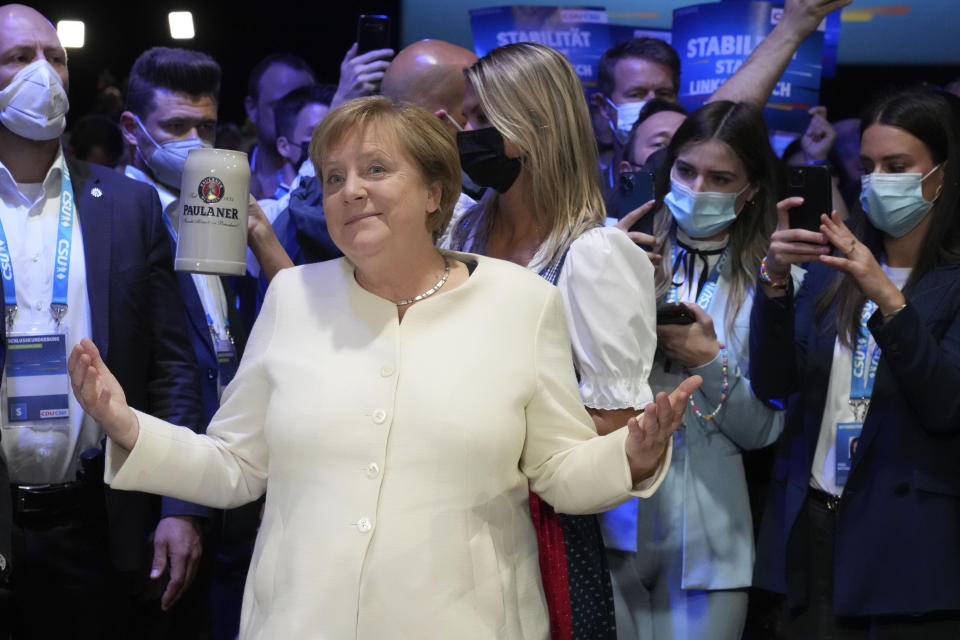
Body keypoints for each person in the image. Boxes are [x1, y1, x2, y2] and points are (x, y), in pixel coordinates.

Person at [68, 96, 702, 639]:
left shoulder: (520, 301)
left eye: (375, 169)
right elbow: (236, 466)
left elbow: (559, 472)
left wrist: (632, 454)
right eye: (334, 176)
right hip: (300, 620)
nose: (352, 190)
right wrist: (128, 426)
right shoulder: (293, 298)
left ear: (434, 191)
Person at [0, 5, 206, 638]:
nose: (45, 73)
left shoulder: (128, 203)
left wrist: (180, 504)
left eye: (55, 57)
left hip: (103, 520)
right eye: (18, 58)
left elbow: (173, 362)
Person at [445, 42, 658, 639]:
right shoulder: (462, 226)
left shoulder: (593, 254)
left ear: (533, 126)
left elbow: (616, 426)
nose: (468, 134)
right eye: (467, 118)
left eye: (482, 120)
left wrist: (506, 437)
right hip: (449, 509)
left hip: (541, 521)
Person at [750, 86, 960, 637]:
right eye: (867, 166)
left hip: (907, 543)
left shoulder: (950, 281)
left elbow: (946, 405)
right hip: (812, 523)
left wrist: (889, 298)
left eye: (896, 166)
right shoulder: (831, 269)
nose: (877, 180)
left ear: (943, 171)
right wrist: (772, 282)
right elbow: (775, 380)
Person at [604, 100, 789, 640]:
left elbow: (764, 430)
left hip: (712, 535)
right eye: (686, 171)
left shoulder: (776, 283)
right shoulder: (614, 255)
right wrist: (623, 295)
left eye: (721, 177)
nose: (698, 188)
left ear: (752, 187)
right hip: (612, 518)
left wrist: (709, 362)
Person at [591, 37, 681, 197]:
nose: (652, 104)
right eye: (636, 94)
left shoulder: (691, 192)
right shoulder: (585, 197)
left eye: (664, 94)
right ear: (604, 107)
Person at [244, 53, 316, 200]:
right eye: (280, 105)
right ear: (252, 109)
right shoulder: (228, 176)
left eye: (302, 107)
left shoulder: (322, 181)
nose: (295, 117)